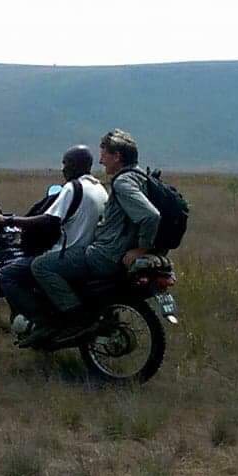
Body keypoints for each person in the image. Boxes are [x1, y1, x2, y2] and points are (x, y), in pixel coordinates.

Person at [24, 129, 161, 345]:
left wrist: (141, 249)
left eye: (104, 154)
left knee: (41, 266)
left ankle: (75, 319)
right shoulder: (139, 176)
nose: (100, 160)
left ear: (117, 156)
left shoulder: (122, 183)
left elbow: (151, 215)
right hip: (116, 250)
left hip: (105, 255)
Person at [0, 146, 108, 347]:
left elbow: (49, 220)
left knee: (7, 274)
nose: (63, 168)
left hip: (69, 254)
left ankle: (43, 322)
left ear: (76, 165)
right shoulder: (99, 189)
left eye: (66, 163)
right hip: (87, 252)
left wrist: (9, 220)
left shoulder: (73, 188)